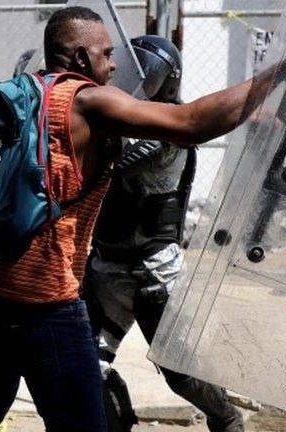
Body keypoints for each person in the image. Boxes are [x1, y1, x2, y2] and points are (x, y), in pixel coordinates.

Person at [0, 6, 286, 432]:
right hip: (44, 303)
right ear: (81, 59)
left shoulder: (13, 93)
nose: (115, 64)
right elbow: (192, 123)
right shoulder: (87, 100)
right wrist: (282, 69)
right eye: (107, 54)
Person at [81, 35, 244, 432]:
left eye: (145, 70)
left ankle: (227, 419)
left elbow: (116, 165)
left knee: (178, 373)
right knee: (86, 367)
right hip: (106, 265)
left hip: (155, 272)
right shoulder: (117, 117)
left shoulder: (168, 129)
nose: (133, 77)